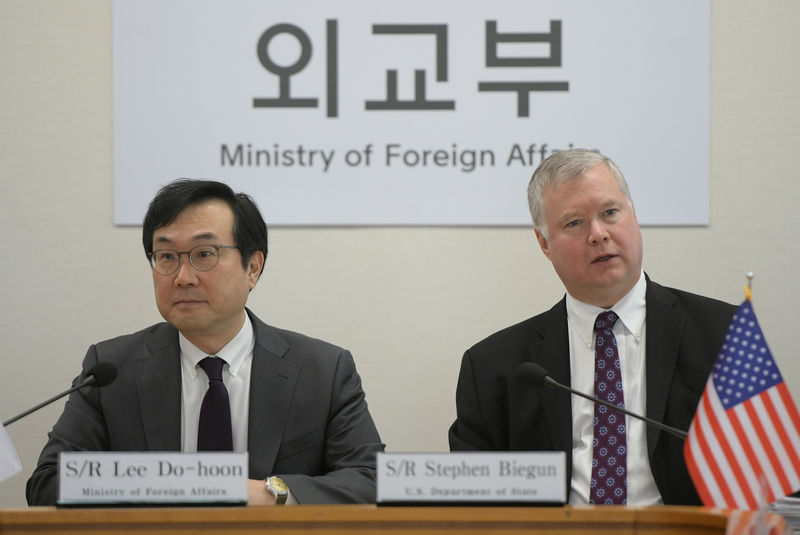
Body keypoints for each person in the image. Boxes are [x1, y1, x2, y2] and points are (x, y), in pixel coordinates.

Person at [27, 179, 384, 506]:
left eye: (204, 254)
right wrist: (172, 486)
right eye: (166, 256)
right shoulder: (111, 369)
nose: (183, 277)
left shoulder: (322, 370)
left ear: (253, 268)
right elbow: (48, 484)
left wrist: (269, 492)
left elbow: (372, 481)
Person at [449, 149, 737, 505]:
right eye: (574, 223)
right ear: (544, 244)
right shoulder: (495, 367)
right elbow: (472, 503)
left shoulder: (723, 334)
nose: (598, 234)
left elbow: (768, 473)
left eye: (610, 213)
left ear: (634, 215)